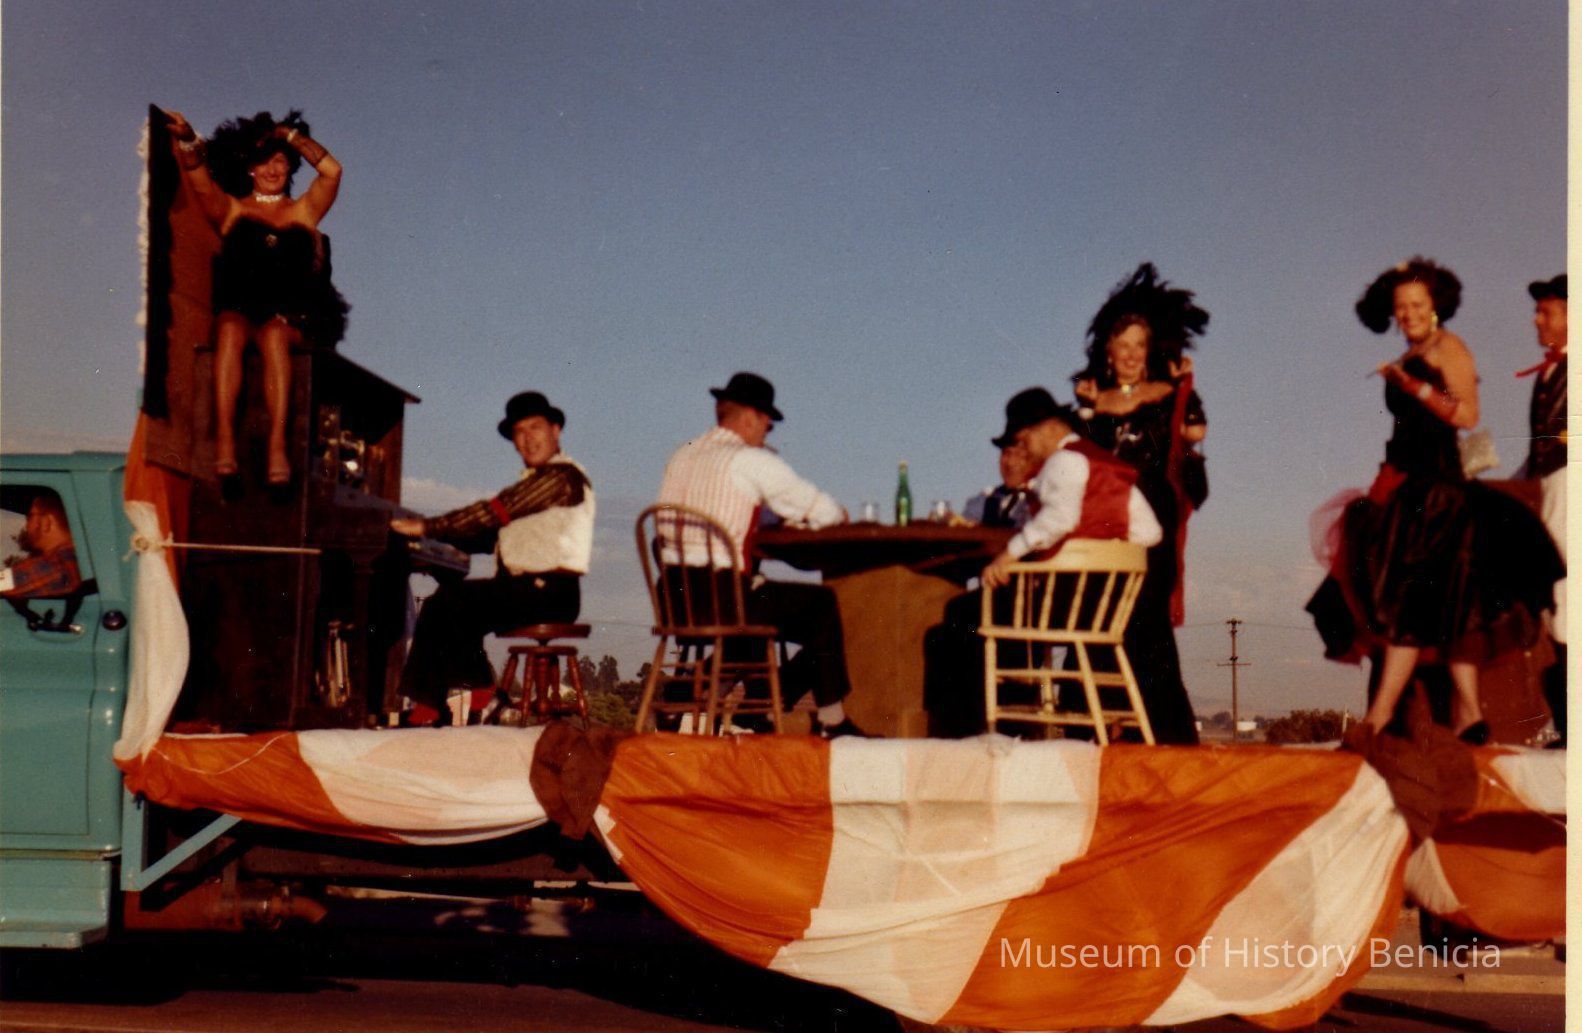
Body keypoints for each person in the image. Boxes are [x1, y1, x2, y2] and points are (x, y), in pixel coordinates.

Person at [1307, 258, 1563, 743]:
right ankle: (1467, 713)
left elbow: (1467, 415)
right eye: (1400, 306)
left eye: (1416, 304)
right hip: (1405, 488)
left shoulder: (1450, 348)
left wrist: (1415, 386)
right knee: (1445, 606)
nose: (1408, 314)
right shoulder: (1410, 353)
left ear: (1435, 305)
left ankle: (1380, 717)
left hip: (1438, 493)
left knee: (1410, 605)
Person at [929, 388, 1162, 736]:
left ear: (1045, 429)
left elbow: (1059, 519)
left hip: (1063, 604)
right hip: (1104, 606)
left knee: (961, 613)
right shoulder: (1107, 464)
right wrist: (1102, 552)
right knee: (984, 610)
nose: (1026, 451)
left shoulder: (1062, 461)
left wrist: (1008, 555)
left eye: (1024, 441)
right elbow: (1150, 533)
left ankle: (967, 729)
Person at [656, 372, 865, 737]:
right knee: (821, 606)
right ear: (752, 418)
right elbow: (821, 510)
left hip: (676, 595)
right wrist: (838, 513)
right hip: (725, 597)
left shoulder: (682, 455)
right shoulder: (748, 460)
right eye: (768, 426)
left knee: (759, 607)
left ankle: (697, 692)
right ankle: (831, 719)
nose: (767, 434)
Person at [163, 108, 348, 485]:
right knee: (230, 328)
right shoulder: (232, 209)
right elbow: (199, 181)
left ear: (290, 167)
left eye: (280, 161)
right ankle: (225, 443)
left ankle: (278, 446)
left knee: (274, 335)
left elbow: (332, 171)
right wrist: (187, 138)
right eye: (263, 162)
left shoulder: (304, 210)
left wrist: (289, 135)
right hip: (239, 311)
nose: (272, 170)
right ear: (249, 168)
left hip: (288, 318)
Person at [1069, 263, 1209, 744]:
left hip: (1151, 525)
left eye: (1138, 345)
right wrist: (1085, 411)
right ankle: (1088, 731)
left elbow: (1193, 435)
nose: (1130, 354)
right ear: (1108, 351)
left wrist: (1187, 389)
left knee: (1146, 624)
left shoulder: (1167, 393)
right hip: (1103, 524)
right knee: (1096, 617)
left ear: (1150, 351)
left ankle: (1164, 739)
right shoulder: (1094, 400)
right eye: (1122, 345)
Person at [391, 391, 593, 721]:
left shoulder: (561, 478)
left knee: (450, 603)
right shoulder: (535, 484)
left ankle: (443, 702)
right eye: (519, 432)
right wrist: (433, 546)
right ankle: (467, 694)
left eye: (535, 428)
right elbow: (491, 536)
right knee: (451, 604)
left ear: (555, 430)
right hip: (526, 589)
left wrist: (428, 527)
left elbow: (493, 513)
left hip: (552, 591)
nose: (527, 439)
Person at [1520, 273, 1567, 746]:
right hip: (1550, 495)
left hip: (1572, 494)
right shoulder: (1548, 373)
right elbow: (1539, 453)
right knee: (1553, 603)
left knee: (1569, 599)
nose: (1537, 320)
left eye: (1546, 312)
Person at [1, 496, 82, 599]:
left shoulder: (55, 565)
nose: (26, 526)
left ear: (46, 522)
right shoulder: (79, 559)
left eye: (30, 517)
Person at [962, 436, 1035, 529]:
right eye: (1007, 453)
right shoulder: (985, 498)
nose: (1010, 463)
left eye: (1018, 455)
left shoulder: (1043, 495)